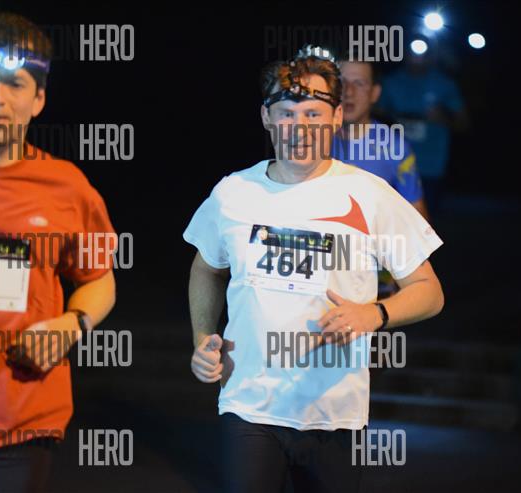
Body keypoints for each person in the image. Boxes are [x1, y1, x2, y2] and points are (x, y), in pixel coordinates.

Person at [183, 45, 444, 492]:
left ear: (336, 117)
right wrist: (202, 339)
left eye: (313, 114)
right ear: (266, 118)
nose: (299, 127)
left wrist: (375, 314)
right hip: (250, 405)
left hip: (334, 412)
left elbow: (429, 291)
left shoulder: (370, 194)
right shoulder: (232, 192)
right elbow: (206, 268)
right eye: (286, 113)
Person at [0, 12, 116, 492]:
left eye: (14, 83)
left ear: (38, 99)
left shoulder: (66, 188)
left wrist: (72, 324)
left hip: (19, 419)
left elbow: (98, 277)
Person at [333, 57, 429, 298]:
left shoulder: (394, 147)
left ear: (375, 93)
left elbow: (416, 215)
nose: (348, 92)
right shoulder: (311, 141)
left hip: (376, 284)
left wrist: (402, 277)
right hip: (322, 278)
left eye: (359, 83)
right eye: (341, 82)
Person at [377, 49, 467, 214]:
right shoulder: (390, 82)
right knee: (392, 218)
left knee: (425, 219)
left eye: (423, 52)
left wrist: (443, 118)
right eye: (412, 52)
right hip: (394, 165)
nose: (417, 57)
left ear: (431, 55)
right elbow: (374, 115)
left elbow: (463, 123)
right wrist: (390, 119)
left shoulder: (444, 84)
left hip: (430, 167)